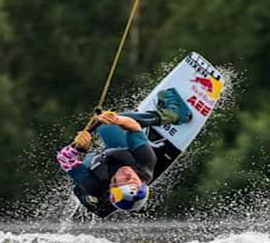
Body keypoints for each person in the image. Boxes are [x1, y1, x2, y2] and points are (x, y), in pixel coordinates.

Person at [56, 88, 192, 217]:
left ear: (113, 184)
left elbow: (63, 158)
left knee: (87, 162)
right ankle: (172, 115)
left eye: (126, 180)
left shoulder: (92, 184)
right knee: (107, 126)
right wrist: (116, 120)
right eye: (134, 180)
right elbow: (134, 127)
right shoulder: (144, 164)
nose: (129, 174)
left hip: (95, 177)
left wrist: (77, 148)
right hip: (118, 152)